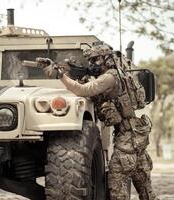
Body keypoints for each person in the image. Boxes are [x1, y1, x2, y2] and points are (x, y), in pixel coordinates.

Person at [42, 44, 159, 200]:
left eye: (96, 60)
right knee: (145, 187)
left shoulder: (109, 78)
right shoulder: (118, 74)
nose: (92, 64)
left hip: (128, 137)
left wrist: (61, 76)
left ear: (107, 59)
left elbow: (83, 91)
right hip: (134, 134)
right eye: (91, 61)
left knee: (116, 182)